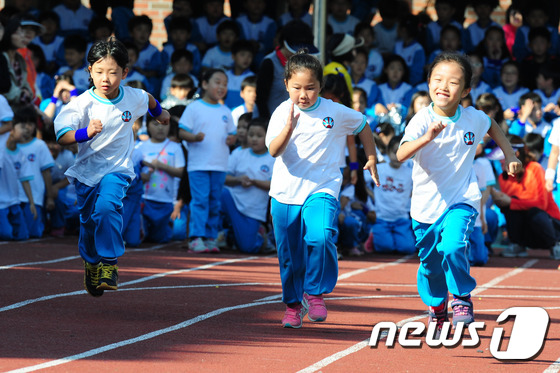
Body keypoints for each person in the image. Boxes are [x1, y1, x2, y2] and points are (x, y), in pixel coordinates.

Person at [396, 52, 522, 334]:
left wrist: (510, 154)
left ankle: (462, 299)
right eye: (438, 79)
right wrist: (426, 137)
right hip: (425, 208)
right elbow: (401, 153)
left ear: (465, 90)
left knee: (453, 246)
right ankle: (437, 306)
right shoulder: (420, 120)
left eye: (453, 82)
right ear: (429, 83)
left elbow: (492, 126)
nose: (444, 86)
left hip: (461, 200)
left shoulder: (473, 118)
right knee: (430, 266)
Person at [265, 50, 380, 329]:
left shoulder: (334, 111)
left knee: (321, 236)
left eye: (311, 88)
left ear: (320, 86)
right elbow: (273, 150)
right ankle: (293, 306)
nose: (303, 95)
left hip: (322, 188)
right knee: (290, 257)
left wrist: (372, 157)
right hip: (285, 193)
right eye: (297, 88)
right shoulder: (282, 112)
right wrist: (288, 128)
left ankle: (314, 293)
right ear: (286, 85)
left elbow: (363, 125)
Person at [53, 38, 170, 297]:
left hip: (117, 169)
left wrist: (160, 113)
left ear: (125, 73)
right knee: (88, 222)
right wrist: (85, 132)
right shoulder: (81, 104)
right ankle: (92, 263)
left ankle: (109, 263)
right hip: (86, 172)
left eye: (113, 72)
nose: (105, 78)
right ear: (89, 72)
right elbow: (62, 135)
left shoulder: (133, 96)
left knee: (107, 207)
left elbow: (149, 99)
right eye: (99, 72)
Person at [178, 68, 237, 253]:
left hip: (219, 165)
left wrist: (231, 140)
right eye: (217, 82)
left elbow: (233, 135)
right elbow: (181, 131)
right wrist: (194, 138)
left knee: (214, 201)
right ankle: (196, 237)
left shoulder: (226, 111)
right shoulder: (194, 108)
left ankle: (210, 237)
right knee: (200, 200)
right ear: (204, 84)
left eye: (225, 84)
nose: (221, 87)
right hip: (198, 165)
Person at [494, 135, 560, 260]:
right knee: (508, 207)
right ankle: (517, 244)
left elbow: (541, 204)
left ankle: (556, 244)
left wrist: (511, 201)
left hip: (550, 225)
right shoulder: (503, 177)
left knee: (534, 212)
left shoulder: (534, 168)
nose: (500, 161)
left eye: (502, 157)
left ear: (516, 154)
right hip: (528, 229)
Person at [221, 117, 275, 253]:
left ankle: (259, 234)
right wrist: (239, 180)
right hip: (233, 201)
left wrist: (254, 182)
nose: (254, 139)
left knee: (247, 247)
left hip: (253, 211)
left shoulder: (272, 159)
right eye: (251, 135)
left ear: (268, 137)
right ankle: (217, 233)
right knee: (219, 192)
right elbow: (223, 177)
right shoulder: (238, 153)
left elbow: (274, 185)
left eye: (259, 136)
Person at [138, 117, 185, 243]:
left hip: (168, 202)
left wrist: (162, 166)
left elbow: (181, 173)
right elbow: (132, 171)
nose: (160, 128)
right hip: (145, 200)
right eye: (155, 124)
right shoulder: (141, 147)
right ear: (147, 126)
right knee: (138, 236)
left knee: (177, 234)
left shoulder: (175, 148)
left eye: (164, 124)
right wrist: (141, 176)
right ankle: (143, 226)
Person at [15, 106, 55, 238]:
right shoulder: (9, 146)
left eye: (30, 123)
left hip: (34, 198)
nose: (26, 127)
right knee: (16, 233)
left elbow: (46, 173)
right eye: (22, 123)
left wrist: (49, 197)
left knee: (33, 234)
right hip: (12, 198)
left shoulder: (39, 145)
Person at [371, 135, 415, 254]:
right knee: (385, 248)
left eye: (401, 153)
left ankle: (397, 238)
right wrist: (371, 201)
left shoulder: (410, 173)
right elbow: (363, 183)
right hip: (381, 219)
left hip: (401, 220)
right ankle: (371, 236)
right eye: (394, 152)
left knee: (407, 249)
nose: (397, 156)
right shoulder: (379, 169)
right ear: (388, 151)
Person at [0, 119, 36, 241]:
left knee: (23, 235)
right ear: (11, 130)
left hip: (13, 201)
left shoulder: (20, 155)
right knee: (6, 235)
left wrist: (31, 202)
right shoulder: (1, 150)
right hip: (1, 204)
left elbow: (25, 180)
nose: (26, 131)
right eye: (23, 127)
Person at [224, 40, 255, 109]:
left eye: (249, 56)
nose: (246, 59)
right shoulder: (225, 76)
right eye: (242, 55)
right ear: (233, 56)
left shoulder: (252, 77)